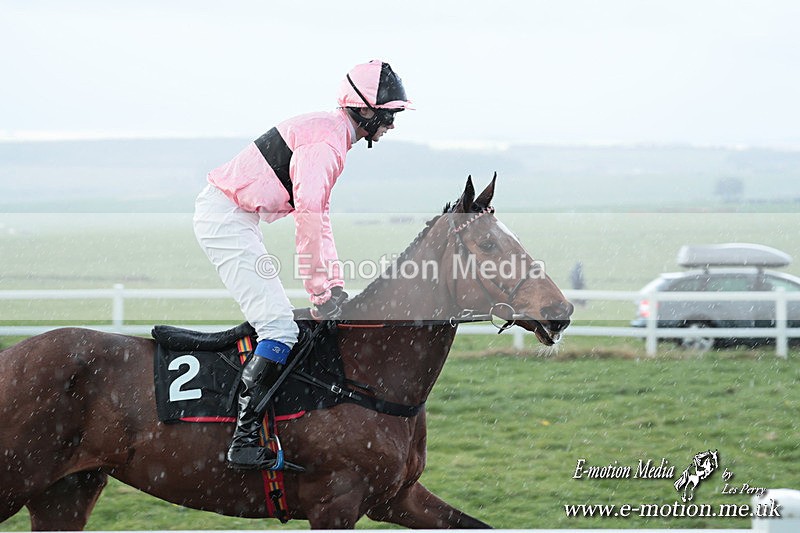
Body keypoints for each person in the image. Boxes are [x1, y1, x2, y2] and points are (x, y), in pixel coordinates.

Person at [192, 60, 412, 469]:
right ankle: (243, 440)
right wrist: (321, 293)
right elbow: (310, 219)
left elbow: (319, 218)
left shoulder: (333, 135)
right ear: (365, 109)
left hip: (235, 217)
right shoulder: (326, 144)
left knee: (283, 323)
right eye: (389, 114)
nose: (392, 123)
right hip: (226, 221)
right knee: (278, 326)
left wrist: (333, 285)